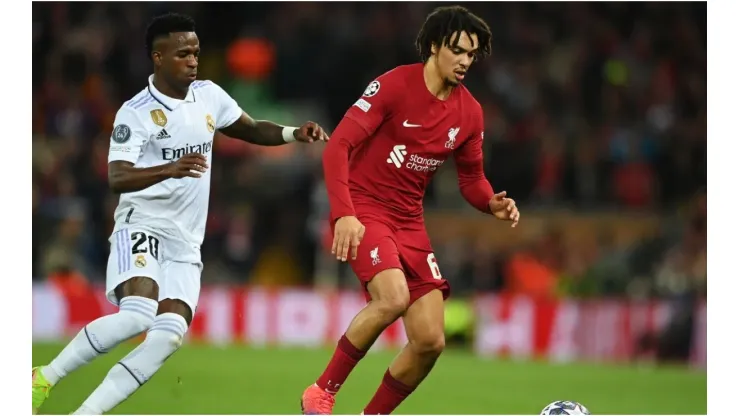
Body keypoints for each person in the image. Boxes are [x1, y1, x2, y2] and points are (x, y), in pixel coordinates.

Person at [32, 12, 328, 415]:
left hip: (186, 242)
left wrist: (294, 133)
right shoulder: (135, 112)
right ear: (158, 57)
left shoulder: (208, 95)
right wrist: (169, 168)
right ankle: (44, 376)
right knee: (138, 315)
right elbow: (117, 176)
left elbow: (250, 127)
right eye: (183, 53)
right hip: (142, 225)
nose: (193, 60)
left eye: (196, 53)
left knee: (168, 336)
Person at [302, 5, 519, 415]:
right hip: (366, 208)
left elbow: (472, 180)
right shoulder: (393, 86)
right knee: (393, 297)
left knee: (430, 341)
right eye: (457, 50)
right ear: (435, 46)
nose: (464, 61)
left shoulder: (469, 112)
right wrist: (343, 213)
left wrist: (491, 203)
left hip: (409, 222)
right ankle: (321, 392)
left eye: (471, 55)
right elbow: (338, 147)